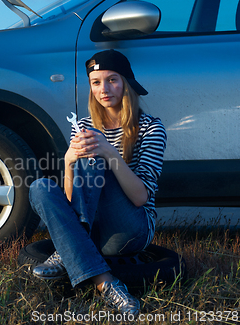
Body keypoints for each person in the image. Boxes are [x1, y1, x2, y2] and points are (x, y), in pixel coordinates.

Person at [28, 49, 167, 315]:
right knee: (40, 187)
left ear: (126, 82)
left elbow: (140, 198)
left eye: (112, 79)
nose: (104, 89)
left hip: (130, 228)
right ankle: (106, 283)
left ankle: (69, 248)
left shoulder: (151, 128)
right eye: (96, 82)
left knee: (96, 161)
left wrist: (109, 153)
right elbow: (72, 198)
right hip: (93, 228)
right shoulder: (82, 125)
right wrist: (69, 161)